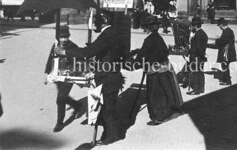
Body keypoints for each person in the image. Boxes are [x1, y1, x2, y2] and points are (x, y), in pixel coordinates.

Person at [55, 10, 125, 145]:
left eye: (96, 21)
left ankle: (113, 136)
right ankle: (109, 133)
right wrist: (94, 51)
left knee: (108, 110)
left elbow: (88, 52)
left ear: (103, 21)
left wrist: (65, 52)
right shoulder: (114, 33)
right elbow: (105, 53)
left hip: (108, 78)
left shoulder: (107, 34)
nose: (94, 24)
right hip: (111, 76)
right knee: (107, 108)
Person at [131, 16, 183, 125]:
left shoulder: (148, 40)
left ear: (148, 28)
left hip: (154, 71)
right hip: (164, 70)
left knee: (153, 95)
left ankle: (157, 117)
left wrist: (133, 63)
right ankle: (165, 113)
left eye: (145, 27)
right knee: (164, 93)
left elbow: (142, 56)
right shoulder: (158, 37)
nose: (144, 29)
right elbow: (162, 52)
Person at [44, 25, 82, 133]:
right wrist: (46, 74)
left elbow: (80, 61)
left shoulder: (73, 46)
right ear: (58, 37)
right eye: (61, 37)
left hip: (69, 76)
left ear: (68, 36)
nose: (64, 39)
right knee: (63, 96)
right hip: (57, 75)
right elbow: (50, 59)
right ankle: (76, 104)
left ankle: (59, 123)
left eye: (65, 37)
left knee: (60, 99)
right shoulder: (56, 45)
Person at [208, 18, 236, 85]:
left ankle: (227, 81)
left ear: (221, 25)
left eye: (219, 25)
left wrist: (216, 42)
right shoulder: (228, 31)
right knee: (224, 65)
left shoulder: (227, 32)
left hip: (226, 52)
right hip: (227, 51)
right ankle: (225, 79)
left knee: (225, 66)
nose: (219, 27)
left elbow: (223, 41)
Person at [186, 16, 208, 95]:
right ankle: (201, 88)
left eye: (192, 26)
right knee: (200, 73)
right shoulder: (203, 33)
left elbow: (198, 48)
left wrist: (191, 53)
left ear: (195, 26)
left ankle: (196, 89)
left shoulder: (198, 35)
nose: (191, 27)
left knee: (195, 73)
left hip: (196, 57)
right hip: (201, 57)